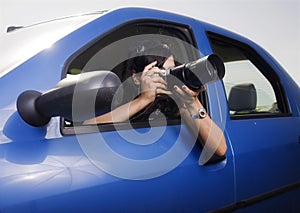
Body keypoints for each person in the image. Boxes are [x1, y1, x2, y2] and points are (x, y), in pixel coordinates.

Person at [84, 41, 227, 157]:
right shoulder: (122, 103)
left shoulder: (179, 106)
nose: (168, 76)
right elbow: (87, 126)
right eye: (160, 70)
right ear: (136, 77)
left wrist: (192, 102)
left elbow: (220, 149)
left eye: (172, 70)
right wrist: (143, 100)